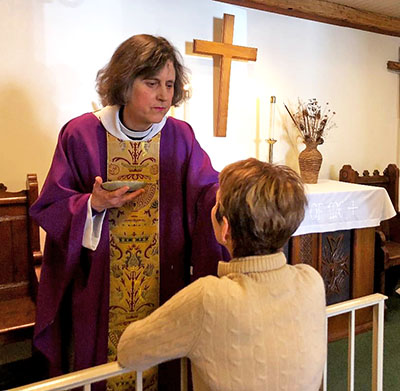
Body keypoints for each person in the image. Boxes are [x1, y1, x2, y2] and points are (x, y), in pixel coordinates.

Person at [30, 34, 228, 391]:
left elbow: (206, 194)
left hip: (163, 281)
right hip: (99, 284)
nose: (164, 95)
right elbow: (52, 207)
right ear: (124, 81)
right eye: (151, 83)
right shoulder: (81, 134)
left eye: (170, 84)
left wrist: (233, 193)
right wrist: (90, 205)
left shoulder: (180, 136)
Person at [117, 158, 327, 391]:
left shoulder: (208, 298)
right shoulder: (311, 280)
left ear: (224, 228)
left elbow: (129, 351)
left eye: (215, 204)